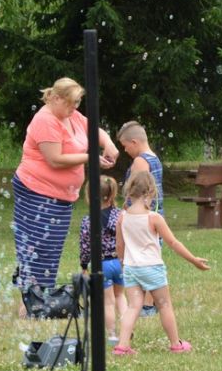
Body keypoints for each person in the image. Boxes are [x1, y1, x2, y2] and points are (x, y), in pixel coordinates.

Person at [12, 77, 119, 315]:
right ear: (55, 97)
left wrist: (109, 143)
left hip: (61, 196)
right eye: (70, 103)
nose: (74, 108)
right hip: (36, 191)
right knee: (37, 247)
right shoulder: (45, 120)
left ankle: (38, 302)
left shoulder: (71, 116)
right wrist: (90, 157)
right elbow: (55, 159)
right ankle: (29, 304)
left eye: (77, 103)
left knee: (51, 249)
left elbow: (93, 129)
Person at [113, 171, 209, 356]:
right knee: (164, 305)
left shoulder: (122, 217)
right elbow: (173, 242)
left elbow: (119, 245)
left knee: (133, 307)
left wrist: (123, 263)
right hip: (152, 268)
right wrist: (193, 260)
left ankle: (122, 346)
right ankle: (176, 344)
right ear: (151, 192)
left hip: (131, 269)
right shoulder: (154, 218)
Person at [117, 120, 164, 316]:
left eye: (125, 145)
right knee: (152, 256)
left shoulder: (140, 161)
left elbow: (135, 191)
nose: (125, 150)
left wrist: (125, 211)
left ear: (134, 142)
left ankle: (146, 306)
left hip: (141, 219)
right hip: (155, 215)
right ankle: (153, 302)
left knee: (141, 259)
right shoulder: (154, 158)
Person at [78, 175, 125, 343]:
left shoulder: (88, 221)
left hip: (102, 264)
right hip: (119, 263)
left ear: (90, 195)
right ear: (112, 194)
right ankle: (127, 329)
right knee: (120, 296)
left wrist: (84, 265)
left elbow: (85, 247)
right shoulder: (120, 215)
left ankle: (112, 335)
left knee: (108, 303)